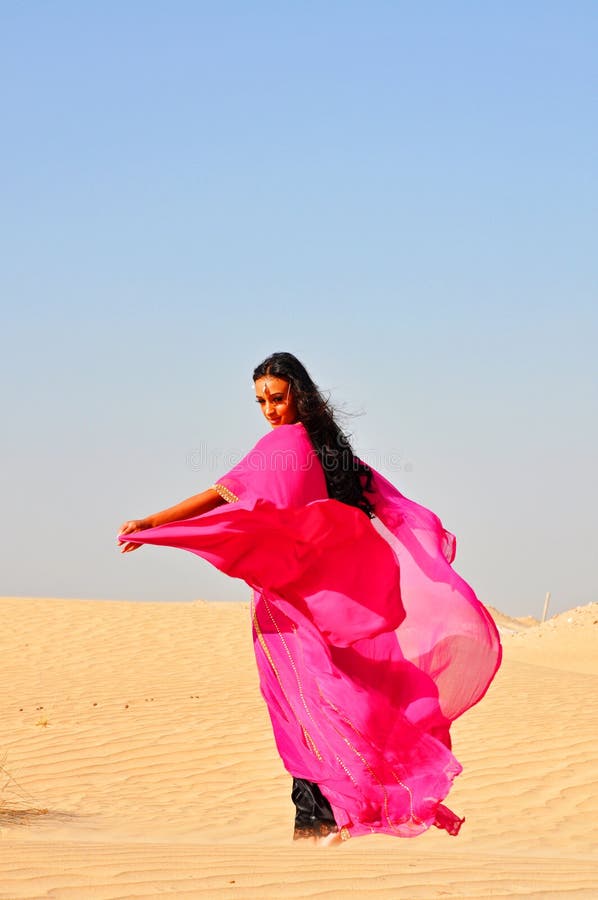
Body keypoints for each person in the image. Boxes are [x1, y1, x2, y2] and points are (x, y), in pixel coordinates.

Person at [118, 351, 501, 845]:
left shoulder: (281, 445)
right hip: (320, 597)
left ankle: (316, 820)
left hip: (288, 602)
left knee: (300, 705)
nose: (270, 410)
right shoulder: (331, 451)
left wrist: (155, 522)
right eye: (260, 402)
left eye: (277, 398)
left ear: (299, 395)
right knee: (322, 698)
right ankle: (329, 813)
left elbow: (221, 496)